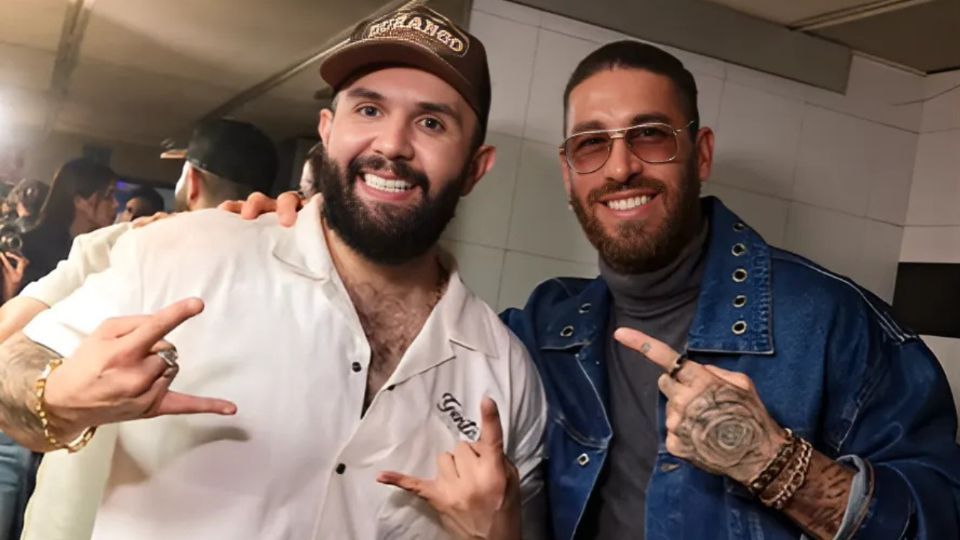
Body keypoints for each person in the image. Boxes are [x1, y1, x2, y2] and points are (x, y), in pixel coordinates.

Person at [243, 40, 960, 539]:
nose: (620, 169)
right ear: (568, 173)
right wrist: (304, 237)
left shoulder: (831, 323)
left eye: (650, 136)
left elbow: (941, 518)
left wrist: (780, 469)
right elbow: (410, 330)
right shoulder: (542, 331)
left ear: (700, 153)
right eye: (591, 144)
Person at [0, 6, 546, 540]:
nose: (391, 145)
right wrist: (57, 395)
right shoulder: (185, 251)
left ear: (475, 168)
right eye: (369, 110)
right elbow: (13, 369)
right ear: (327, 131)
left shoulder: (506, 374)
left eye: (431, 123)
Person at [0, 118, 278, 540]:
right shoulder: (295, 266)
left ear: (192, 180)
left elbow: (8, 334)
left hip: (80, 515)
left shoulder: (124, 243)